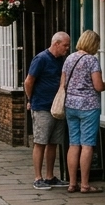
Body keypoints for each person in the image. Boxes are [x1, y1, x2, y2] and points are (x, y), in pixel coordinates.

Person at [61, 30, 105, 194]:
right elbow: (97, 86)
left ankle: (71, 183)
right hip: (88, 106)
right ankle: (84, 184)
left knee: (74, 143)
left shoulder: (69, 58)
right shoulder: (92, 60)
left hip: (70, 105)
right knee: (87, 145)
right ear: (94, 44)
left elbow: (63, 83)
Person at [25, 32, 71, 190]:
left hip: (57, 107)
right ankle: (38, 178)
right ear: (56, 43)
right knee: (40, 142)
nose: (67, 48)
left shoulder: (61, 61)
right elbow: (29, 81)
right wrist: (31, 99)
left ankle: (50, 176)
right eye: (65, 45)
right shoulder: (41, 59)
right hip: (42, 106)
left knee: (53, 143)